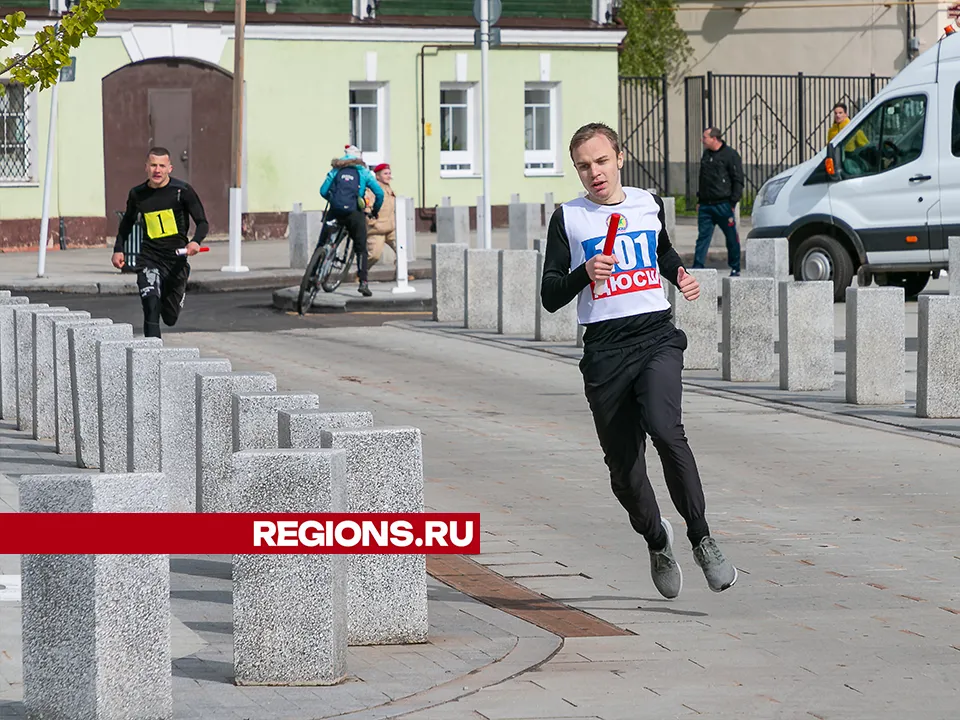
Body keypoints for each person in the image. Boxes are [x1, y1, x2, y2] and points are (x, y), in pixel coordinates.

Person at [540, 122, 738, 600]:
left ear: (620, 157)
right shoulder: (569, 218)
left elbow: (662, 250)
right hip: (605, 352)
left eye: (601, 161)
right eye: (584, 166)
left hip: (655, 336)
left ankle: (702, 538)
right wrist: (583, 273)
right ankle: (657, 539)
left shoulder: (647, 203)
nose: (595, 173)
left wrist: (680, 274)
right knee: (624, 473)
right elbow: (549, 295)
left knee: (666, 429)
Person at [111, 146, 207, 339]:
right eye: (153, 165)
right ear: (146, 167)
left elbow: (202, 222)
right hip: (150, 258)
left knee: (170, 317)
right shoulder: (138, 194)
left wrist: (195, 242)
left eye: (162, 166)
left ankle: (178, 286)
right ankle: (152, 355)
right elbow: (127, 223)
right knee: (151, 305)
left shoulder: (182, 191)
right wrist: (118, 249)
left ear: (170, 168)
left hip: (176, 260)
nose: (157, 170)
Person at [320, 144, 384, 296]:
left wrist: (335, 201)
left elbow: (323, 191)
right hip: (354, 213)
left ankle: (312, 274)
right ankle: (363, 282)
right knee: (360, 247)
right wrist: (374, 210)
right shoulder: (363, 172)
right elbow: (379, 193)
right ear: (359, 157)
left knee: (323, 241)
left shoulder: (336, 169)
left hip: (335, 211)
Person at [692, 127, 743, 277]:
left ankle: (735, 267)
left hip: (723, 204)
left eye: (705, 137)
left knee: (731, 237)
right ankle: (698, 267)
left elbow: (738, 180)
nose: (702, 140)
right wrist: (700, 199)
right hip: (706, 205)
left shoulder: (730, 155)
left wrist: (733, 202)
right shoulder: (707, 155)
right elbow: (703, 178)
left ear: (714, 139)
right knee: (703, 237)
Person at [364, 163, 397, 268]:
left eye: (389, 173)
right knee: (374, 256)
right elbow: (367, 206)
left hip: (390, 228)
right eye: (385, 174)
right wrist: (371, 222)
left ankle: (402, 274)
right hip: (377, 229)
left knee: (402, 250)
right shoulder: (373, 189)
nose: (388, 176)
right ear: (377, 176)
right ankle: (361, 273)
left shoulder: (389, 189)